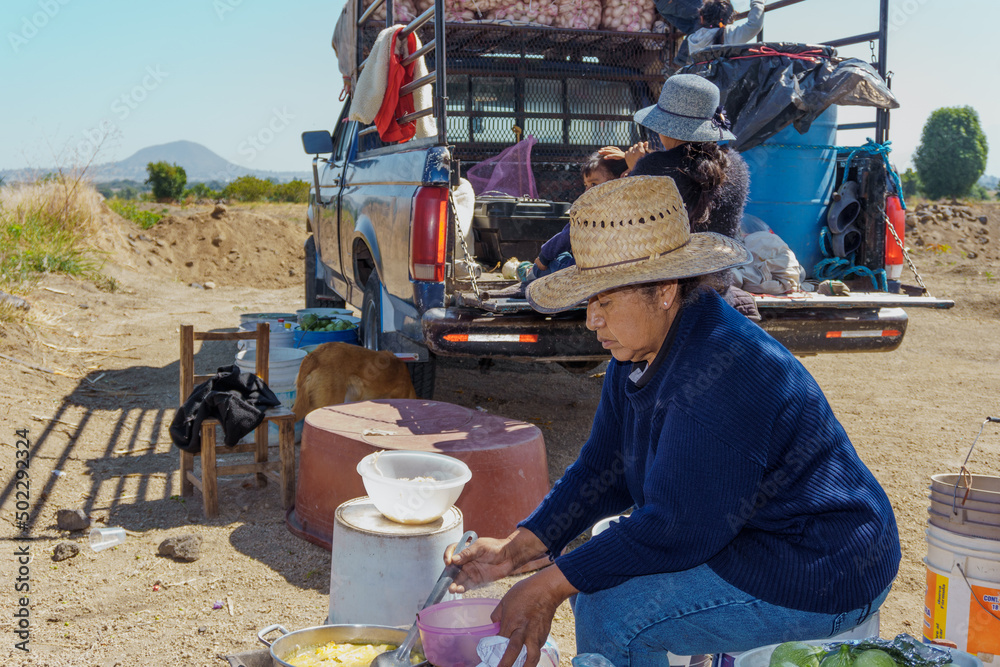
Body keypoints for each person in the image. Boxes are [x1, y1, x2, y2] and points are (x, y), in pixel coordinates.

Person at [446, 175, 900, 667]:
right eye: (589, 301)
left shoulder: (724, 368)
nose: (592, 320)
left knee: (610, 610)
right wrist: (518, 549)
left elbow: (677, 528)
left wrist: (548, 584)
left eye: (605, 300)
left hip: (822, 565)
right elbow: (605, 467)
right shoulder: (639, 352)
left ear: (663, 291)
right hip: (750, 535)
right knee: (594, 579)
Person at [517, 152, 628, 283]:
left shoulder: (589, 213)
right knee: (562, 256)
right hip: (613, 269)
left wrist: (544, 257)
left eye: (593, 184)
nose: (587, 191)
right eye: (586, 185)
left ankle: (532, 273)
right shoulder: (631, 208)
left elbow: (566, 236)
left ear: (619, 180)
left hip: (581, 271)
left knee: (555, 264)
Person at [686, 0, 765, 59]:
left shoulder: (692, 39)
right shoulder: (729, 34)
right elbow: (754, 25)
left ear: (702, 18)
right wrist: (758, 2)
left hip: (702, 80)